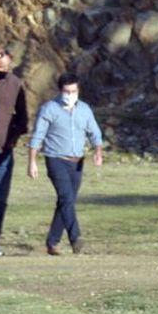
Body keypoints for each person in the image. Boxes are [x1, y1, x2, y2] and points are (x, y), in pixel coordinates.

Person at [28, 71, 105, 255]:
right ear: (60, 91)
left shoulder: (85, 110)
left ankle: (52, 241)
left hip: (77, 161)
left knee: (66, 202)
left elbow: (95, 133)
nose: (70, 95)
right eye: (66, 91)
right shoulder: (49, 109)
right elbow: (38, 136)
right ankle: (75, 238)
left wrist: (98, 152)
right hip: (56, 159)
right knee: (66, 198)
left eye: (73, 91)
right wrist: (32, 162)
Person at [0, 45, 29, 256]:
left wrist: (12, 139)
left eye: (7, 67)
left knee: (0, 198)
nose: (4, 71)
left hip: (3, 150)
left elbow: (23, 118)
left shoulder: (15, 84)